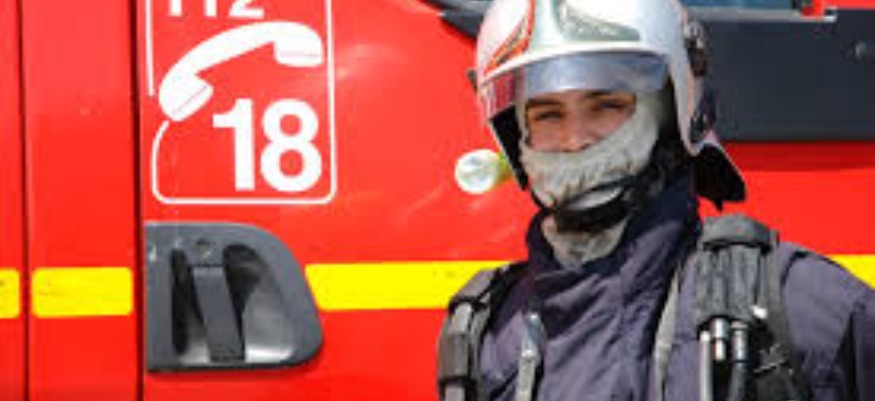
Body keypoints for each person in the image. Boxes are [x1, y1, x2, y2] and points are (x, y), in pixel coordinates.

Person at [436, 0, 875, 401]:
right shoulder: (485, 339)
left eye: (606, 105)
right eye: (548, 114)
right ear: (518, 135)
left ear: (670, 111)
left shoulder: (807, 315)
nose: (574, 139)